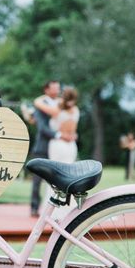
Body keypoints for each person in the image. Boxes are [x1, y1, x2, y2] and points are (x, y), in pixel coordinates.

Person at [34, 87, 80, 220]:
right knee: (68, 175)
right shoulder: (76, 110)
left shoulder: (56, 110)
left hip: (58, 144)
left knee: (55, 176)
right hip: (71, 145)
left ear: (63, 98)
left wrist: (44, 97)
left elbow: (37, 102)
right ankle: (69, 208)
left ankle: (54, 209)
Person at [29, 80, 62, 217]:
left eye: (58, 88)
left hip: (58, 149)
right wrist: (59, 135)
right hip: (42, 148)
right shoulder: (40, 105)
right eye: (54, 88)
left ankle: (56, 209)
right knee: (37, 181)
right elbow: (42, 128)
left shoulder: (61, 104)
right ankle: (34, 207)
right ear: (46, 90)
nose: (57, 90)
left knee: (58, 180)